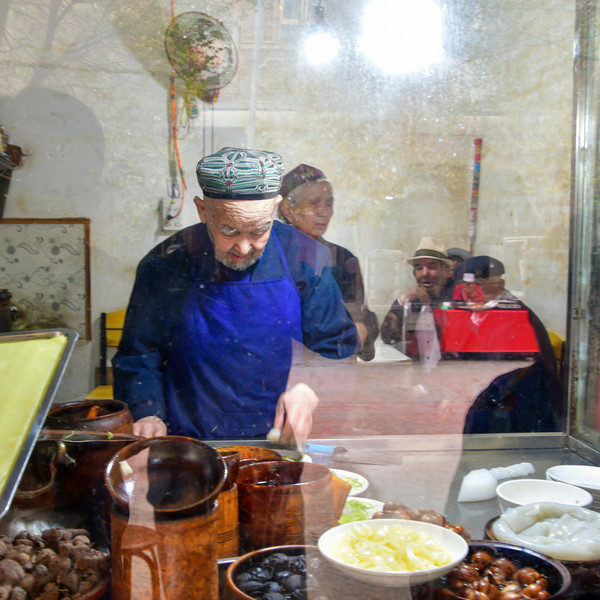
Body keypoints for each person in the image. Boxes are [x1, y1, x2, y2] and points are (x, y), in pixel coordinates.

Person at [113, 147, 361, 444]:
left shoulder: (306, 257)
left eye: (259, 231)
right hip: (191, 440)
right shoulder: (166, 264)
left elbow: (338, 347)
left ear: (275, 207)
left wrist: (311, 386)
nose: (243, 248)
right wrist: (147, 412)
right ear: (203, 211)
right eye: (229, 230)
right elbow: (139, 355)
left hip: (282, 440)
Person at [277, 163, 379, 361]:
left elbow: (360, 316)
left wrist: (362, 331)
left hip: (334, 365)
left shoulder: (343, 259)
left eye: (329, 203)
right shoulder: (269, 257)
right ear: (288, 210)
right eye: (314, 203)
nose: (323, 212)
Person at [460, 255, 562, 433]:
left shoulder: (513, 315)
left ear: (500, 285)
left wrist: (483, 398)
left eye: (479, 284)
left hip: (522, 404)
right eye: (466, 285)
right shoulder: (480, 311)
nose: (471, 291)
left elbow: (516, 372)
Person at [380, 237, 453, 358]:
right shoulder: (412, 300)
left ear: (446, 271)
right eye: (419, 268)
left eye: (432, 267)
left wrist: (428, 307)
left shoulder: (455, 296)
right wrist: (402, 300)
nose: (425, 273)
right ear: (414, 274)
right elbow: (388, 337)